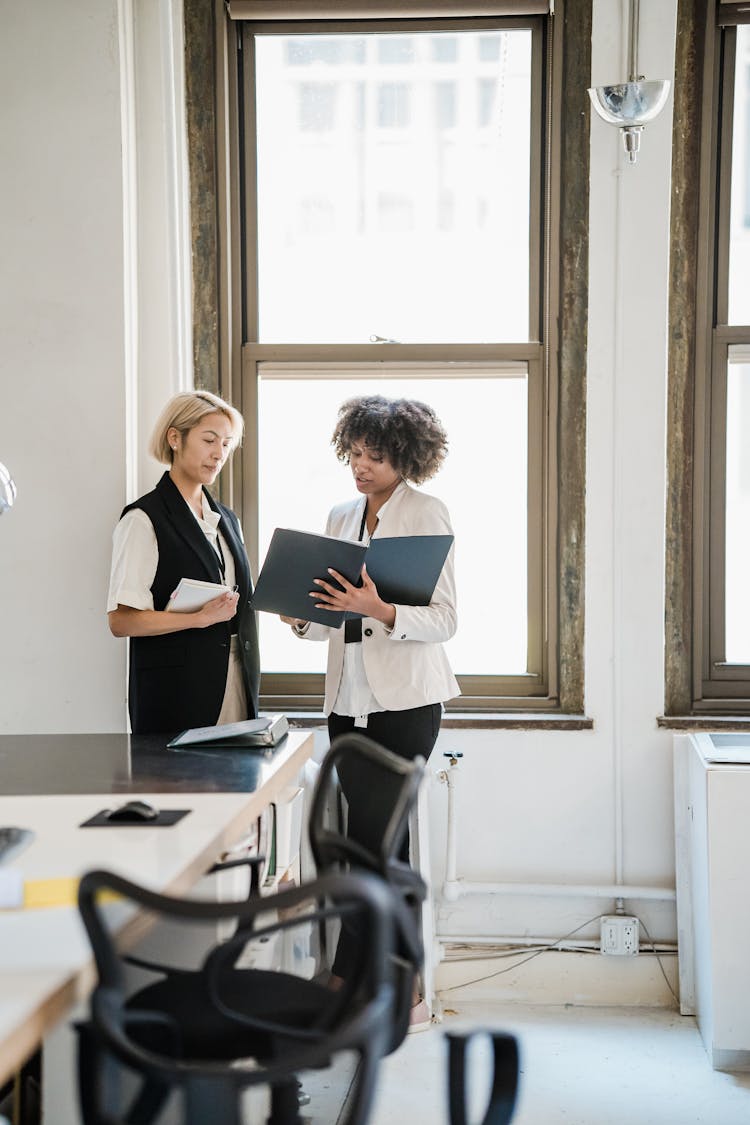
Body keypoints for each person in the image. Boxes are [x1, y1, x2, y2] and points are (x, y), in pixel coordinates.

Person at [282, 394, 459, 1024]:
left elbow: (444, 619)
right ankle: (357, 973)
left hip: (406, 704)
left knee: (383, 846)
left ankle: (397, 985)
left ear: (405, 457)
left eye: (375, 456)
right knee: (363, 842)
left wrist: (379, 610)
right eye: (355, 453)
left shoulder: (426, 512)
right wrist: (299, 615)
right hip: (346, 703)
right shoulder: (339, 514)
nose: (361, 466)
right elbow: (326, 614)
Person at [107, 390, 260, 735]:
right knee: (183, 787)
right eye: (209, 440)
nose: (219, 453)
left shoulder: (227, 520)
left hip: (236, 681)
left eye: (226, 443)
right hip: (176, 694)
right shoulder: (143, 519)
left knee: (236, 787)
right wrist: (198, 619)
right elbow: (121, 621)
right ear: (175, 438)